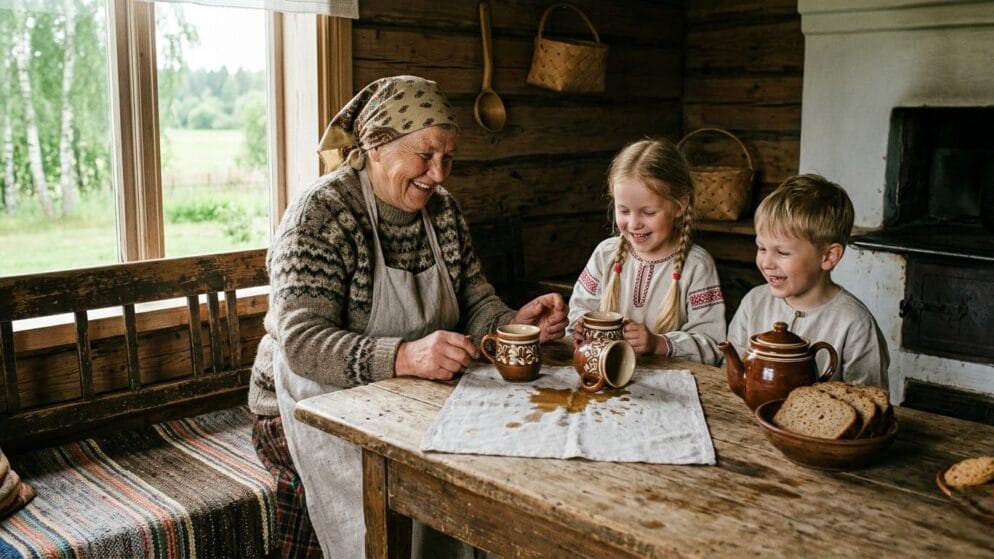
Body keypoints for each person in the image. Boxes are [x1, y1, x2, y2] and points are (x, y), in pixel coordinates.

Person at [247, 75, 568, 559]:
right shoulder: (322, 214)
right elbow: (302, 342)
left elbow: (476, 300)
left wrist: (511, 323)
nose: (439, 174)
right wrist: (403, 356)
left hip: (408, 396)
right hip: (307, 403)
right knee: (395, 497)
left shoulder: (444, 214)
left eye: (449, 157)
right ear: (376, 145)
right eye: (426, 155)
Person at [567, 138, 726, 364]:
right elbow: (578, 312)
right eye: (623, 211)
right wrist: (580, 328)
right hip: (605, 374)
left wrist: (659, 343)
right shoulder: (605, 255)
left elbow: (713, 345)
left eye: (648, 212)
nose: (634, 224)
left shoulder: (697, 265)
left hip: (672, 387)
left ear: (679, 206)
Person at [726, 173, 889, 387]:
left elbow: (870, 403)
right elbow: (732, 372)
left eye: (782, 253)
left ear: (828, 256)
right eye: (762, 248)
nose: (766, 262)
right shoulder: (753, 302)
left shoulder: (855, 324)